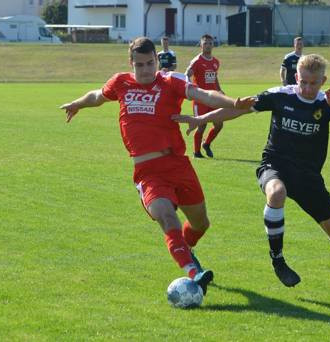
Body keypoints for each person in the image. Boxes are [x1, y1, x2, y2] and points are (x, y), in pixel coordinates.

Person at [59, 37, 254, 295]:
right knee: (165, 215)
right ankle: (194, 272)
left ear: (157, 60)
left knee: (200, 224)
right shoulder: (121, 82)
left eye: (150, 63)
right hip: (148, 171)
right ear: (131, 64)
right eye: (139, 65)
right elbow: (97, 95)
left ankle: (186, 248)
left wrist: (234, 103)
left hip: (177, 165)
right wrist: (78, 104)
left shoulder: (170, 82)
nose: (146, 70)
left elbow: (204, 94)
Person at [173, 54, 330, 290]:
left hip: (309, 177)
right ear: (296, 77)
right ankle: (278, 260)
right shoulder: (279, 95)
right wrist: (202, 117)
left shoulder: (325, 103)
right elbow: (239, 109)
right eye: (303, 81)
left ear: (323, 80)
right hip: (275, 166)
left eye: (313, 83)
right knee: (276, 193)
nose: (307, 87)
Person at [185, 34, 224, 158]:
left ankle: (206, 144)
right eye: (205, 43)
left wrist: (219, 90)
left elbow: (214, 76)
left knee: (219, 124)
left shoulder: (215, 62)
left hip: (213, 98)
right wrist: (189, 88)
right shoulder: (197, 61)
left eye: (210, 43)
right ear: (201, 45)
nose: (208, 45)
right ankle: (197, 152)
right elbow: (187, 74)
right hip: (200, 98)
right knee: (202, 125)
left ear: (213, 45)